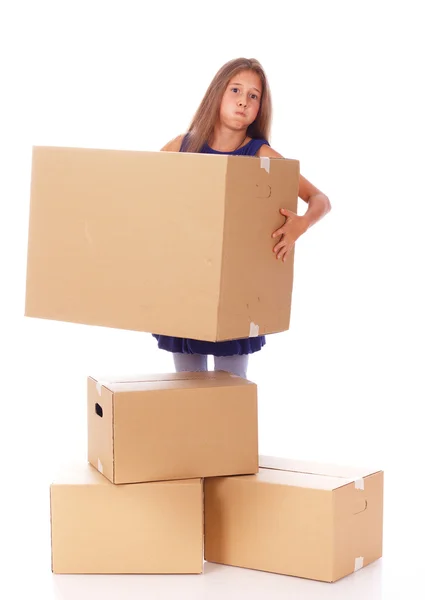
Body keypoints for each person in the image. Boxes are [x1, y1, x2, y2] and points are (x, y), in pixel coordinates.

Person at [153, 57, 331, 379]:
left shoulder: (262, 157)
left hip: (235, 292)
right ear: (218, 94)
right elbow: (143, 191)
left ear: (260, 106)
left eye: (253, 95)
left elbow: (320, 199)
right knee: (185, 394)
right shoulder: (181, 146)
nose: (243, 100)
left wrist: (300, 225)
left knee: (230, 395)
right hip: (186, 285)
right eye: (236, 89)